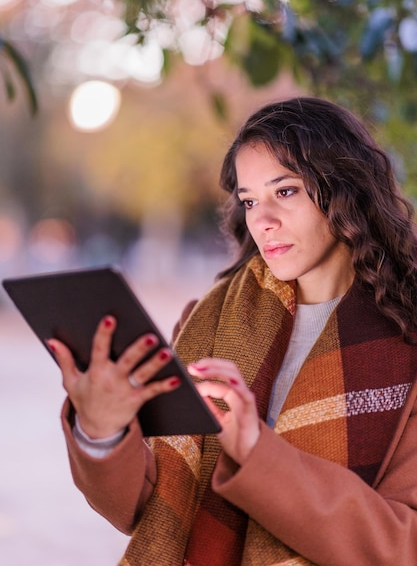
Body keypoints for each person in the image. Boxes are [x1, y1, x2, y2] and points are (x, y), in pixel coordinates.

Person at [49, 97, 417, 566]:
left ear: (346, 189)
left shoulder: (406, 338)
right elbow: (154, 510)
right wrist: (102, 431)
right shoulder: (209, 321)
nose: (262, 220)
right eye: (249, 201)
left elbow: (403, 546)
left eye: (285, 191)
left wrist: (256, 454)